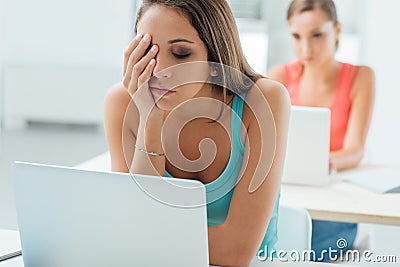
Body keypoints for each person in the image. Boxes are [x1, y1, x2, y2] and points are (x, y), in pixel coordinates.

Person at [104, 0, 290, 266]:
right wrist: (150, 117)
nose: (159, 71)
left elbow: (235, 253)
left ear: (214, 55)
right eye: (148, 52)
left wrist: (147, 237)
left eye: (180, 54)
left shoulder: (264, 101)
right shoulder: (123, 103)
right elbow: (134, 227)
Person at [268, 0, 375, 262]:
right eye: (296, 36)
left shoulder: (361, 77)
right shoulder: (278, 75)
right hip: (289, 193)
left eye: (317, 35)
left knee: (299, 243)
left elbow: (355, 151)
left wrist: (317, 164)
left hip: (334, 201)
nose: (306, 48)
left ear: (337, 30)